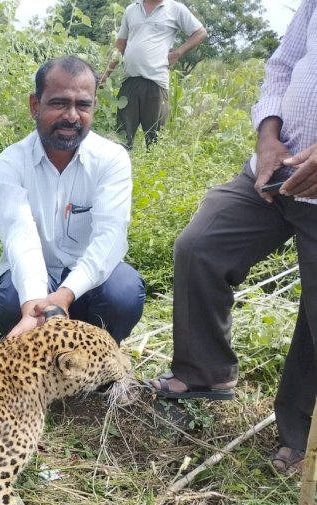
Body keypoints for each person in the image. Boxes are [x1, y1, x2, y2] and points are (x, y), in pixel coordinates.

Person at [146, 0, 317, 476]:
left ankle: (301, 436)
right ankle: (205, 374)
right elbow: (282, 65)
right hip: (275, 167)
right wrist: (267, 133)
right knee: (200, 247)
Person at [0, 55, 145, 345]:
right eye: (59, 103)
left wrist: (64, 295)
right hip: (38, 278)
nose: (72, 116)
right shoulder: (10, 163)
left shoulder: (111, 159)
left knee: (123, 293)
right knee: (13, 302)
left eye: (83, 105)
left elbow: (109, 238)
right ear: (35, 106)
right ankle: (43, 347)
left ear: (94, 107)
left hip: (90, 283)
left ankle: (98, 357)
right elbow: (20, 238)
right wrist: (35, 308)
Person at [101, 0, 207, 149]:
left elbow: (200, 32)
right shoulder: (132, 9)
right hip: (129, 81)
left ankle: (154, 170)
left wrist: (177, 53)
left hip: (156, 83)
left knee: (155, 141)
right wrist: (106, 74)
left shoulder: (175, 9)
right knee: (122, 138)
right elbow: (120, 45)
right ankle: (123, 170)